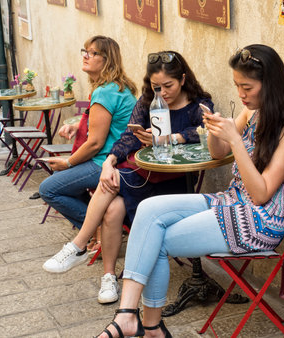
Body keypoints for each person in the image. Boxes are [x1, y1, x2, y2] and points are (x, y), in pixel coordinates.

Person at [95, 44, 284, 338]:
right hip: (232, 203)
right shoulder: (251, 111)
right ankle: (129, 316)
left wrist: (234, 139)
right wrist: (212, 131)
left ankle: (147, 325)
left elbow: (261, 194)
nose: (241, 95)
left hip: (260, 220)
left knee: (155, 239)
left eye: (247, 87)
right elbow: (219, 151)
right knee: (148, 211)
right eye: (237, 86)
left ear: (270, 84)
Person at [43, 51, 213, 304]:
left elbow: (205, 130)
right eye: (157, 87)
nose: (163, 92)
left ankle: (78, 246)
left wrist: (171, 138)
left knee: (111, 188)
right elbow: (128, 137)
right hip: (145, 175)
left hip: (175, 180)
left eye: (169, 86)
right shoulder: (148, 101)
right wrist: (109, 162)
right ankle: (108, 278)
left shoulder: (199, 102)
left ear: (183, 79)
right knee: (111, 207)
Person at [38, 35, 137, 231]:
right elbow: (107, 124)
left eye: (93, 53)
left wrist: (68, 163)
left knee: (48, 189)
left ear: (107, 60)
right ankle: (102, 225)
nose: (86, 56)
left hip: (107, 163)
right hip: (119, 159)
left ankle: (100, 227)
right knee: (67, 186)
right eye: (85, 52)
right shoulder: (115, 87)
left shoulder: (105, 92)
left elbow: (95, 144)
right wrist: (77, 127)